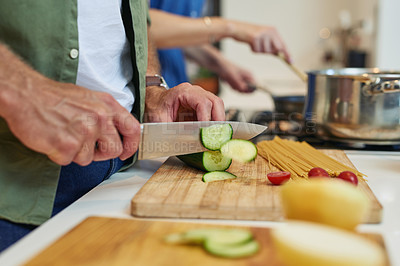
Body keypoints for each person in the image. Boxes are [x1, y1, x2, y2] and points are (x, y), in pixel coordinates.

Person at [0, 0, 224, 252]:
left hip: (122, 169)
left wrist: (151, 87)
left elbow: (140, 19)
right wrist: (22, 90)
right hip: (15, 185)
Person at [149, 0, 291, 93]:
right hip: (145, 97)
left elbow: (176, 34)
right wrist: (231, 28)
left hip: (174, 88)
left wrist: (219, 63)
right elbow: (140, 28)